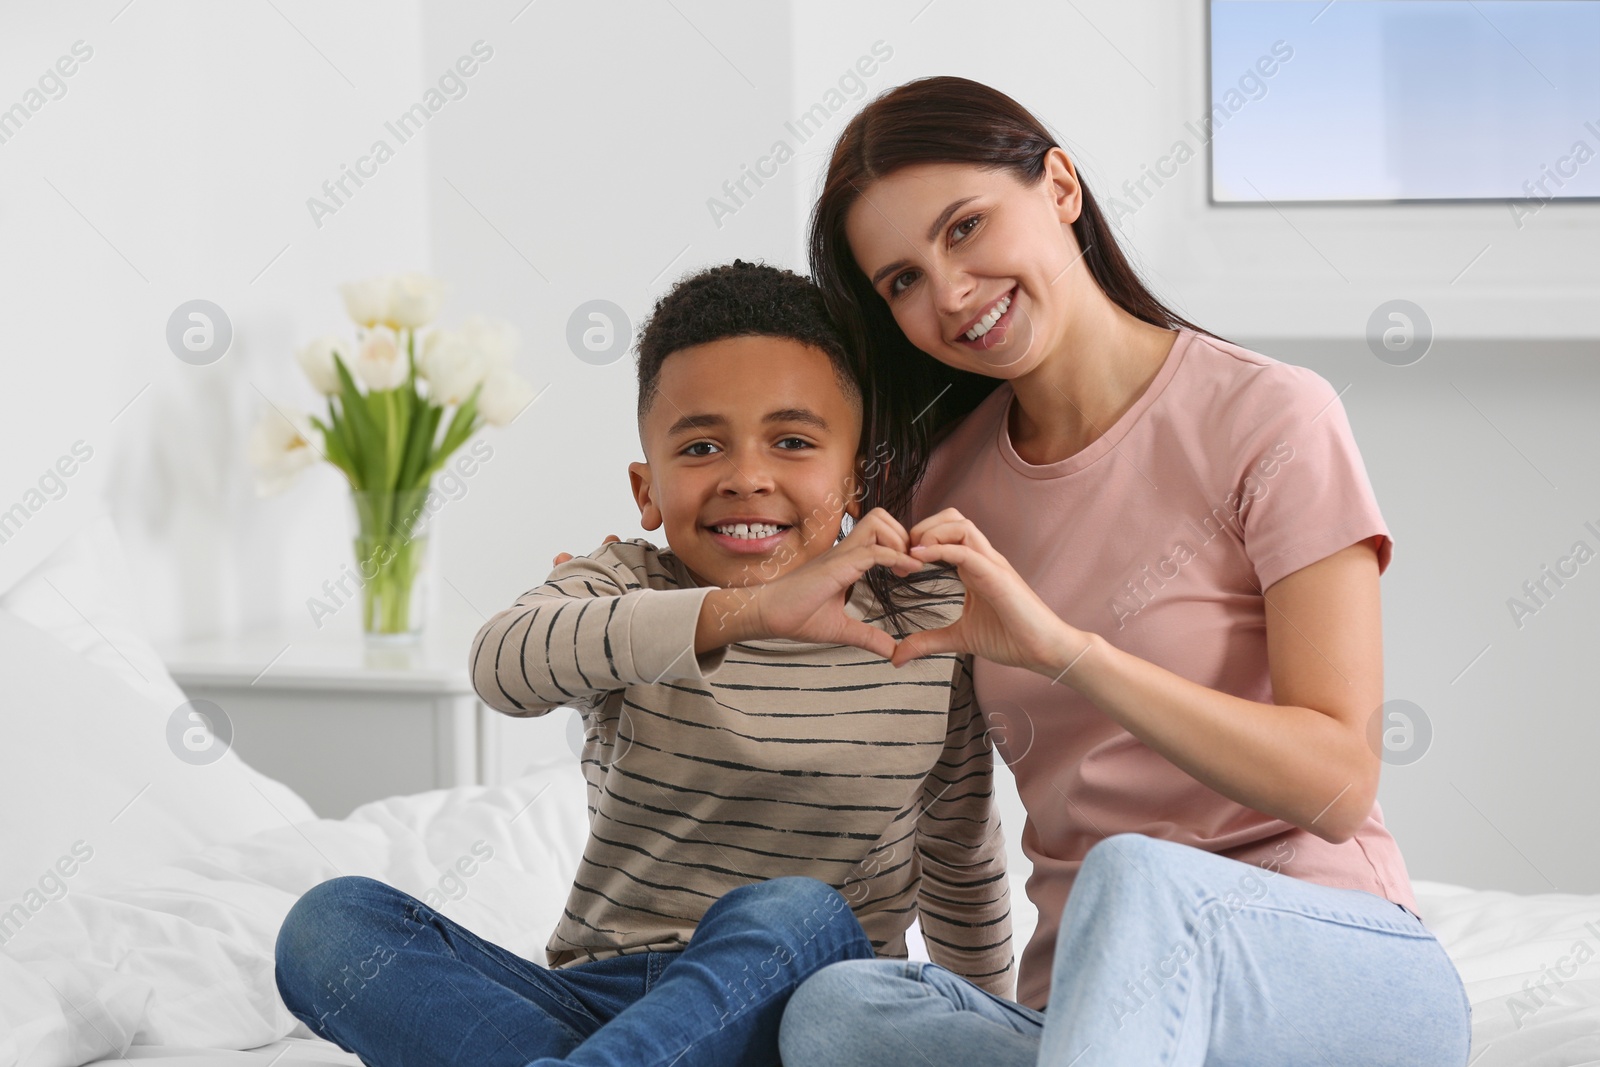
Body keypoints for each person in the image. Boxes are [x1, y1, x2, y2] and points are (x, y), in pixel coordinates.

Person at [775, 76, 1473, 1066]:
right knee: (837, 1009)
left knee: (1134, 877)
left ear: (1058, 185)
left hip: (1333, 964)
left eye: (965, 228)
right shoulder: (943, 489)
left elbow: (1336, 782)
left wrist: (1065, 652)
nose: (950, 292)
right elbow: (937, 796)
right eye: (901, 281)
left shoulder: (1269, 417)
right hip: (1090, 1015)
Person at [272, 259, 1013, 1067]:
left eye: (793, 441)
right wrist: (754, 609)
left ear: (858, 472)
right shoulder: (624, 587)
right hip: (604, 994)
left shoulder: (922, 613)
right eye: (701, 446)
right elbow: (500, 664)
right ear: (647, 488)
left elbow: (959, 851)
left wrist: (986, 1023)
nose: (746, 476)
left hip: (802, 997)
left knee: (793, 908)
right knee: (331, 925)